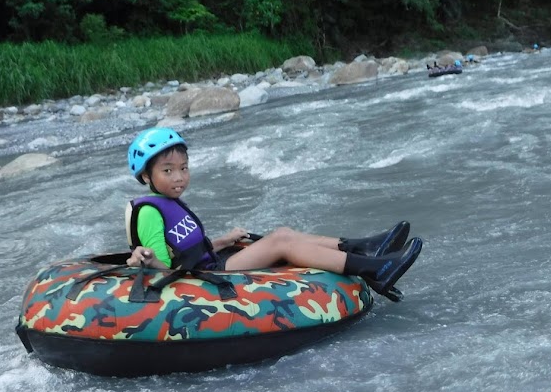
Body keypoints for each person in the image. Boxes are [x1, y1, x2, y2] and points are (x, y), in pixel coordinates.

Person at [123, 127, 422, 300]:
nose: (179, 177)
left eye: (184, 169)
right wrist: (148, 259)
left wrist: (226, 239)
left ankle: (364, 247)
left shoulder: (171, 202)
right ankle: (374, 268)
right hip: (204, 277)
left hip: (209, 263)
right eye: (168, 171)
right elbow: (166, 267)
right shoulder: (150, 211)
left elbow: (189, 250)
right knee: (281, 241)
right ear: (147, 177)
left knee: (285, 233)